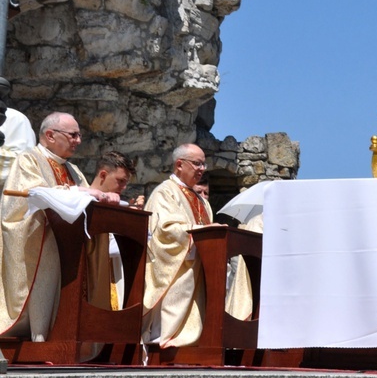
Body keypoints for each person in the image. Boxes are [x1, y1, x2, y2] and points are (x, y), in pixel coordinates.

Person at [0, 112, 121, 341]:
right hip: (41, 245)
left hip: (69, 250)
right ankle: (39, 337)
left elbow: (90, 200)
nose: (78, 140)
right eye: (73, 135)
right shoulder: (29, 160)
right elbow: (31, 197)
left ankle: (64, 337)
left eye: (79, 135)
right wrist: (79, 192)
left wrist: (103, 198)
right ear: (50, 135)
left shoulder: (73, 171)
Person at [142, 144, 253, 348]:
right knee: (173, 323)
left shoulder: (201, 200)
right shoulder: (165, 193)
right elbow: (165, 232)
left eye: (203, 164)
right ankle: (166, 344)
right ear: (179, 164)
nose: (202, 169)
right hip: (177, 271)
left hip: (200, 269)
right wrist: (203, 233)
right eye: (197, 163)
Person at [89, 151, 143, 310]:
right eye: (120, 181)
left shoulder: (121, 206)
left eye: (126, 182)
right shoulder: (81, 202)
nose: (124, 187)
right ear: (103, 175)